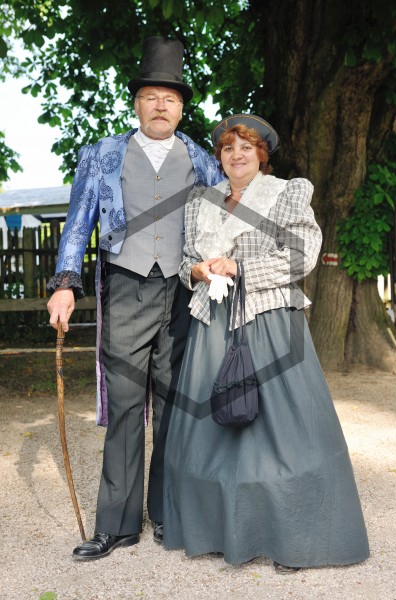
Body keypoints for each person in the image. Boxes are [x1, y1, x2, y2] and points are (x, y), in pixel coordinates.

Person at [163, 115, 370, 572]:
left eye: (246, 147)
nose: (236, 155)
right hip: (212, 322)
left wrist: (240, 268)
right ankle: (218, 530)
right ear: (219, 157)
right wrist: (197, 271)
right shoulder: (201, 202)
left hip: (269, 318)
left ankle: (295, 537)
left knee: (286, 430)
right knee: (211, 432)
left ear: (262, 154)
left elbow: (301, 254)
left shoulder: (286, 192)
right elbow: (186, 261)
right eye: (227, 148)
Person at [46, 36, 222, 561]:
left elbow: (226, 219)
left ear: (181, 108)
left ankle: (167, 512)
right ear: (137, 104)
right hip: (125, 285)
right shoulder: (102, 155)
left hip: (184, 291)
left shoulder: (202, 159)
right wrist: (64, 284)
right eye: (151, 96)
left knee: (173, 405)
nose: (160, 105)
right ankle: (117, 525)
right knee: (125, 405)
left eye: (170, 97)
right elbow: (78, 223)